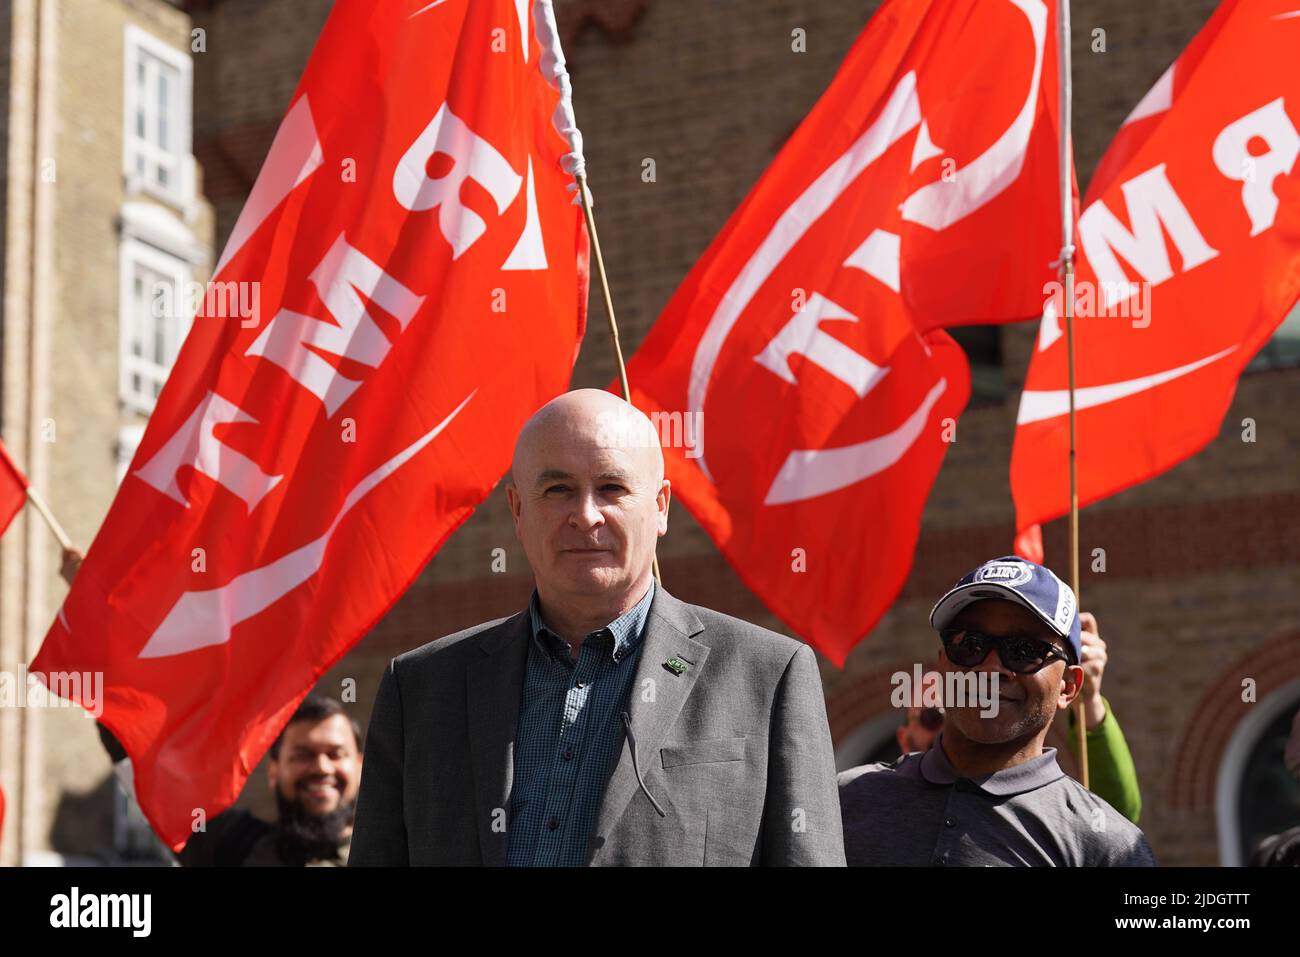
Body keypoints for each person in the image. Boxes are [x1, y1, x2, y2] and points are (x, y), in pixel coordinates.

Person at [350, 389, 845, 866]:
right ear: (518, 511)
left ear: (660, 507)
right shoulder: (420, 689)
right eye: (558, 489)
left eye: (612, 487)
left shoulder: (768, 676)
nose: (585, 516)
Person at [839, 556, 1156, 866]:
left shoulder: (1108, 847)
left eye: (1024, 651)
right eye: (969, 644)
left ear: (1068, 686)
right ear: (941, 665)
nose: (990, 667)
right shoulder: (843, 799)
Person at [891, 613, 1144, 824]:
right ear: (904, 738)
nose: (992, 668)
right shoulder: (863, 801)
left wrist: (1088, 700)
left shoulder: (1058, 817)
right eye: (931, 715)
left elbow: (1116, 813)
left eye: (1023, 652)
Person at [96, 695, 362, 866]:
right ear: (273, 771)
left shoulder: (396, 852)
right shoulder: (232, 845)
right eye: (302, 755)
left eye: (336, 754)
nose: (321, 767)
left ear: (361, 766)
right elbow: (153, 781)